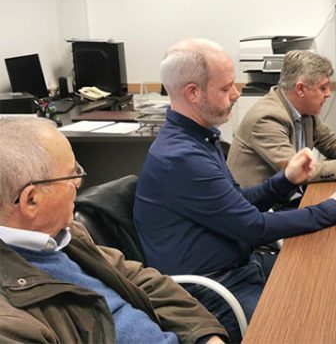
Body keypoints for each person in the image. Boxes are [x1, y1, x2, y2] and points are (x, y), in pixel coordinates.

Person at [134, 39, 336, 342]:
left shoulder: (200, 139)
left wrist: (286, 180)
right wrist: (330, 210)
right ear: (193, 93)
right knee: (301, 328)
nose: (237, 94)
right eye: (226, 89)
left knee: (331, 281)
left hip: (240, 264)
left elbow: (240, 202)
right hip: (213, 285)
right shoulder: (181, 158)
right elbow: (252, 226)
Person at [0, 118, 227, 344]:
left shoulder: (63, 237)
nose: (79, 182)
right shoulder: (9, 321)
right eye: (72, 175)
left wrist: (204, 335)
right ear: (31, 200)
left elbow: (142, 280)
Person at [227, 50, 336, 196]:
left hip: (289, 196)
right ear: (300, 89)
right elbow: (298, 169)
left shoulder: (306, 111)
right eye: (323, 88)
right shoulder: (267, 118)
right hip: (259, 207)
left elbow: (330, 141)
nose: (328, 94)